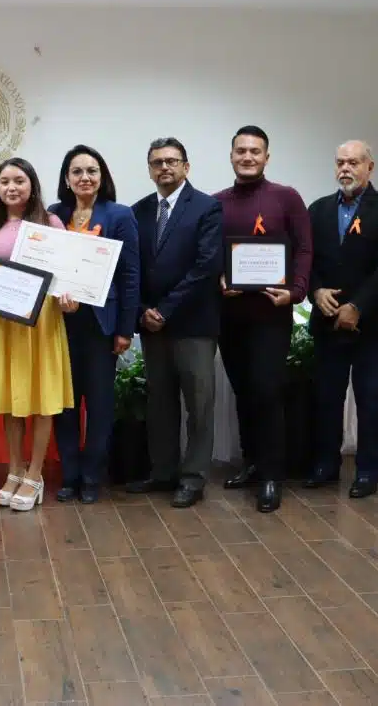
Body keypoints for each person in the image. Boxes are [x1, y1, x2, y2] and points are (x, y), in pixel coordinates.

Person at [214, 126, 312, 513]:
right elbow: (208, 254)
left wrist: (297, 291)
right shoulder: (216, 202)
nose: (248, 157)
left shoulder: (286, 198)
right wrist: (218, 279)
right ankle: (252, 462)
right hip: (230, 315)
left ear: (267, 157)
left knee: (268, 390)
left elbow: (304, 249)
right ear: (232, 156)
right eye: (241, 151)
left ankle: (273, 475)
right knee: (244, 391)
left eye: (256, 151)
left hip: (272, 314)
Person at [306, 140, 378, 499]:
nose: (345, 169)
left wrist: (357, 306)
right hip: (327, 320)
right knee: (327, 397)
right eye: (340, 162)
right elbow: (306, 260)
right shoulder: (316, 209)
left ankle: (367, 470)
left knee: (368, 398)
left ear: (370, 167)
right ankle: (326, 465)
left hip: (371, 325)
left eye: (353, 162)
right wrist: (316, 292)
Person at [128, 138, 223, 508]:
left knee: (199, 404)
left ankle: (194, 477)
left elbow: (206, 266)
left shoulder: (207, 207)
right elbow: (131, 269)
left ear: (186, 166)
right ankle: (164, 472)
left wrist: (165, 309)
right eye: (157, 162)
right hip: (152, 324)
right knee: (160, 402)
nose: (164, 167)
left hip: (193, 324)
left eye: (171, 161)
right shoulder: (137, 211)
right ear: (149, 169)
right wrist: (143, 310)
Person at [0, 158, 77, 512]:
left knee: (41, 398)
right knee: (12, 399)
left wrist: (70, 301)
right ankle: (14, 470)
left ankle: (35, 475)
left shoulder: (50, 223)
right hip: (4, 326)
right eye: (4, 181)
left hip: (43, 323)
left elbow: (67, 278)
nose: (11, 187)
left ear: (32, 185)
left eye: (19, 180)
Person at [47, 145, 139, 504]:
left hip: (102, 326)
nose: (85, 178)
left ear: (102, 177)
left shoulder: (119, 215)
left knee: (99, 406)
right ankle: (69, 475)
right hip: (60, 324)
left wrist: (124, 329)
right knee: (65, 404)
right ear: (67, 180)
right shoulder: (54, 215)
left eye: (92, 171)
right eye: (77, 172)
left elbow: (130, 275)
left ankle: (91, 477)